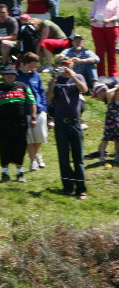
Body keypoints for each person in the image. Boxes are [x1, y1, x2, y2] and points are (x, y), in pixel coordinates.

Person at [0, 65, 37, 182]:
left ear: (15, 76)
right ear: (3, 76)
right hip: (2, 125)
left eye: (12, 74)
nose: (10, 76)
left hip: (20, 124)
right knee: (4, 147)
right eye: (7, 74)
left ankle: (20, 173)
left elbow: (32, 102)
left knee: (20, 147)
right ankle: (5, 173)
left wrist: (33, 117)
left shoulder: (23, 87)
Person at [47, 57, 88, 197]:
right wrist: (53, 82)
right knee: (63, 158)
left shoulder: (78, 77)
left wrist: (73, 76)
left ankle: (81, 189)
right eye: (62, 65)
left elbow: (84, 89)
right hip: (60, 123)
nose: (65, 67)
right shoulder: (55, 79)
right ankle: (68, 187)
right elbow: (49, 98)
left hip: (75, 122)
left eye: (67, 64)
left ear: (72, 65)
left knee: (78, 157)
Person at [17, 53, 48, 171]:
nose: (36, 66)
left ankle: (35, 155)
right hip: (24, 112)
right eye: (34, 63)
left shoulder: (36, 76)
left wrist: (44, 107)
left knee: (40, 136)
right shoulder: (17, 76)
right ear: (28, 63)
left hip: (39, 110)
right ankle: (33, 161)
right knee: (28, 138)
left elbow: (41, 92)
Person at [89, 0, 119, 78]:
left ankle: (113, 75)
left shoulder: (116, 1)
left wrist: (110, 20)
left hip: (111, 28)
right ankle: (101, 75)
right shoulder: (97, 1)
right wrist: (93, 19)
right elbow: (91, 15)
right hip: (97, 28)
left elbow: (118, 15)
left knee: (111, 52)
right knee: (99, 52)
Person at [92, 80, 118, 165]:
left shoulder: (111, 96)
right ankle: (103, 155)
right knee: (107, 139)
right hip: (111, 123)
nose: (97, 98)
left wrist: (116, 88)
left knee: (115, 140)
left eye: (97, 95)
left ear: (101, 93)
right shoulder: (109, 100)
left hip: (115, 123)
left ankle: (115, 156)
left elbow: (108, 92)